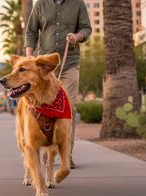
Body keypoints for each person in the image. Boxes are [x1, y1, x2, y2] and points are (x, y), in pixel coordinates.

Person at [25, 0, 92, 169]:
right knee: (43, 107)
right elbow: (31, 31)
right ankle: (47, 152)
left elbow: (86, 28)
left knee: (68, 107)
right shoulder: (40, 4)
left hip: (69, 63)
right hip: (44, 67)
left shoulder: (78, 4)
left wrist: (77, 37)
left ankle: (66, 155)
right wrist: (29, 57)